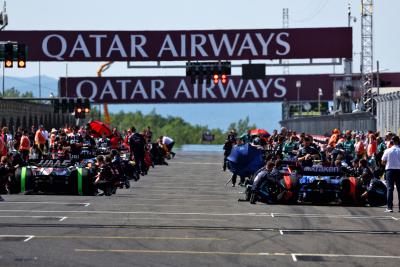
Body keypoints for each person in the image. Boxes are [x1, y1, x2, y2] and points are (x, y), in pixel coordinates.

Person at [381, 135, 400, 213]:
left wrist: (388, 162)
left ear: (391, 142)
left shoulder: (388, 150)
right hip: (399, 170)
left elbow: (383, 161)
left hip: (390, 170)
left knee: (389, 188)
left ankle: (389, 207)